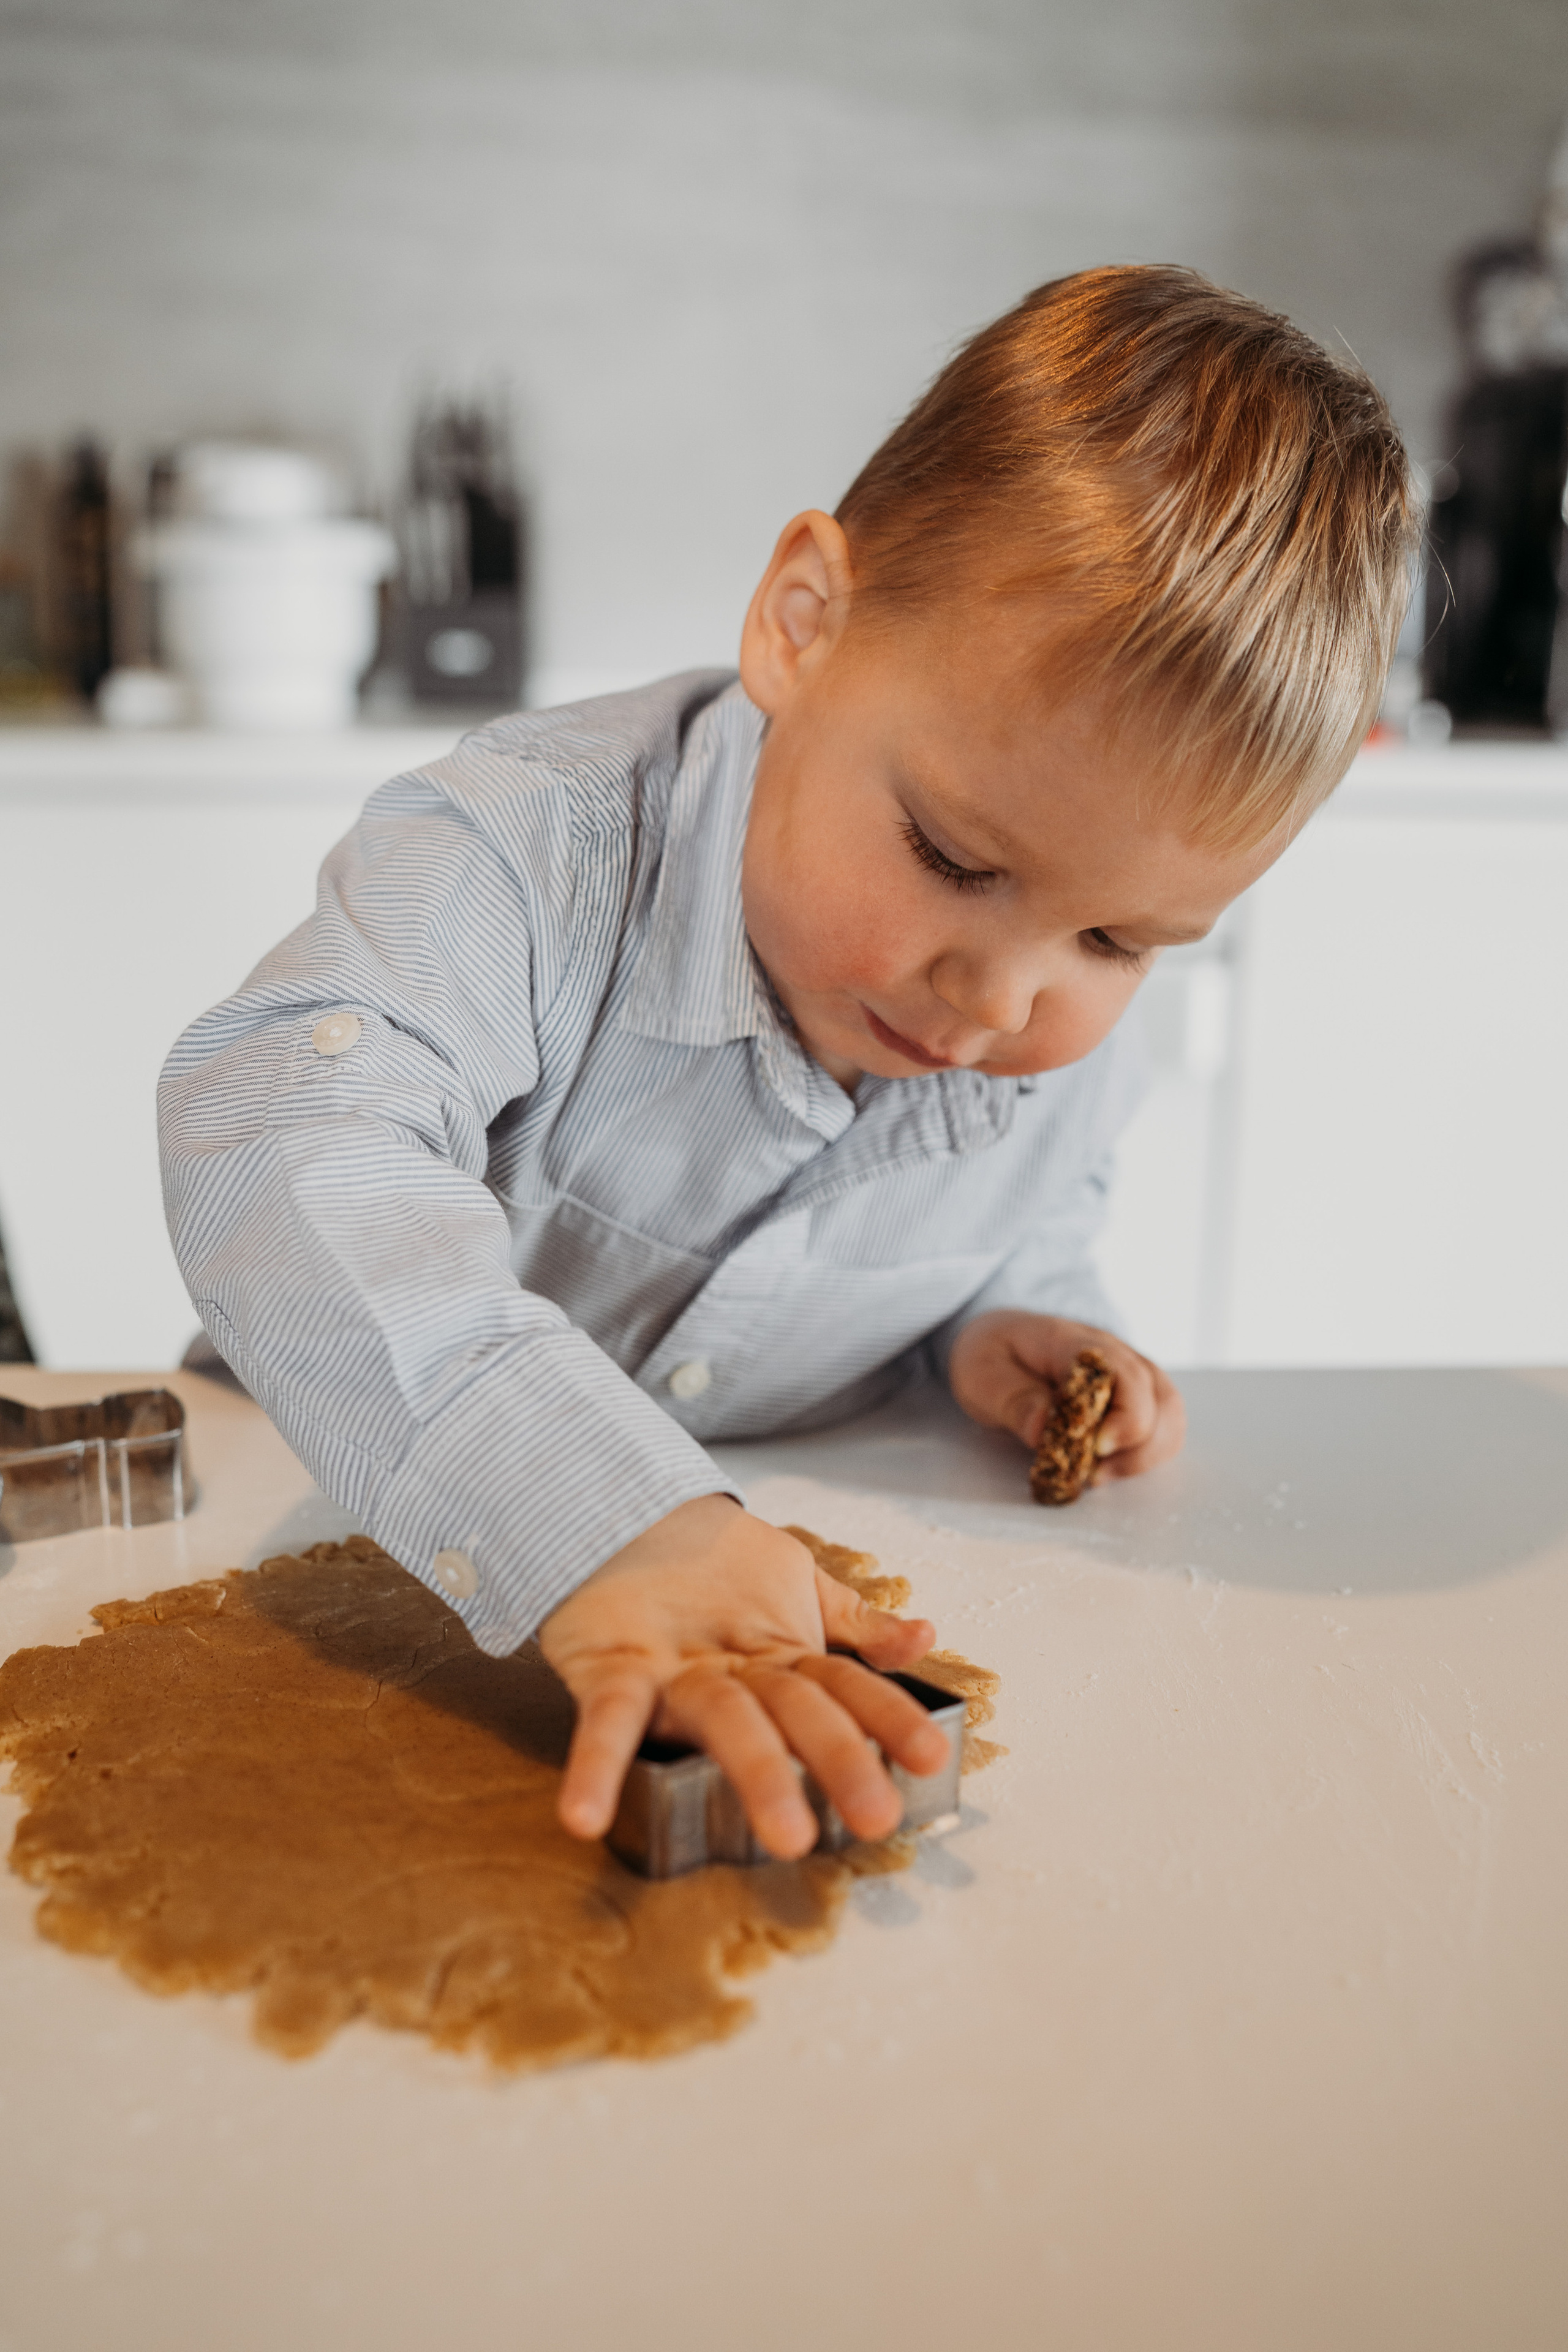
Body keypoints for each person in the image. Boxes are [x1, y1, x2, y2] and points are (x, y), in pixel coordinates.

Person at [158, 265, 1415, 1863]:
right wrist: (599, 1514)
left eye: (1118, 942)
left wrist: (1004, 1327)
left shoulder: (1050, 1030)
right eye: (953, 858)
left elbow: (1022, 1224)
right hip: (303, 1562)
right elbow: (279, 1122)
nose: (1000, 998)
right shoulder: (524, 854)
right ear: (802, 624)